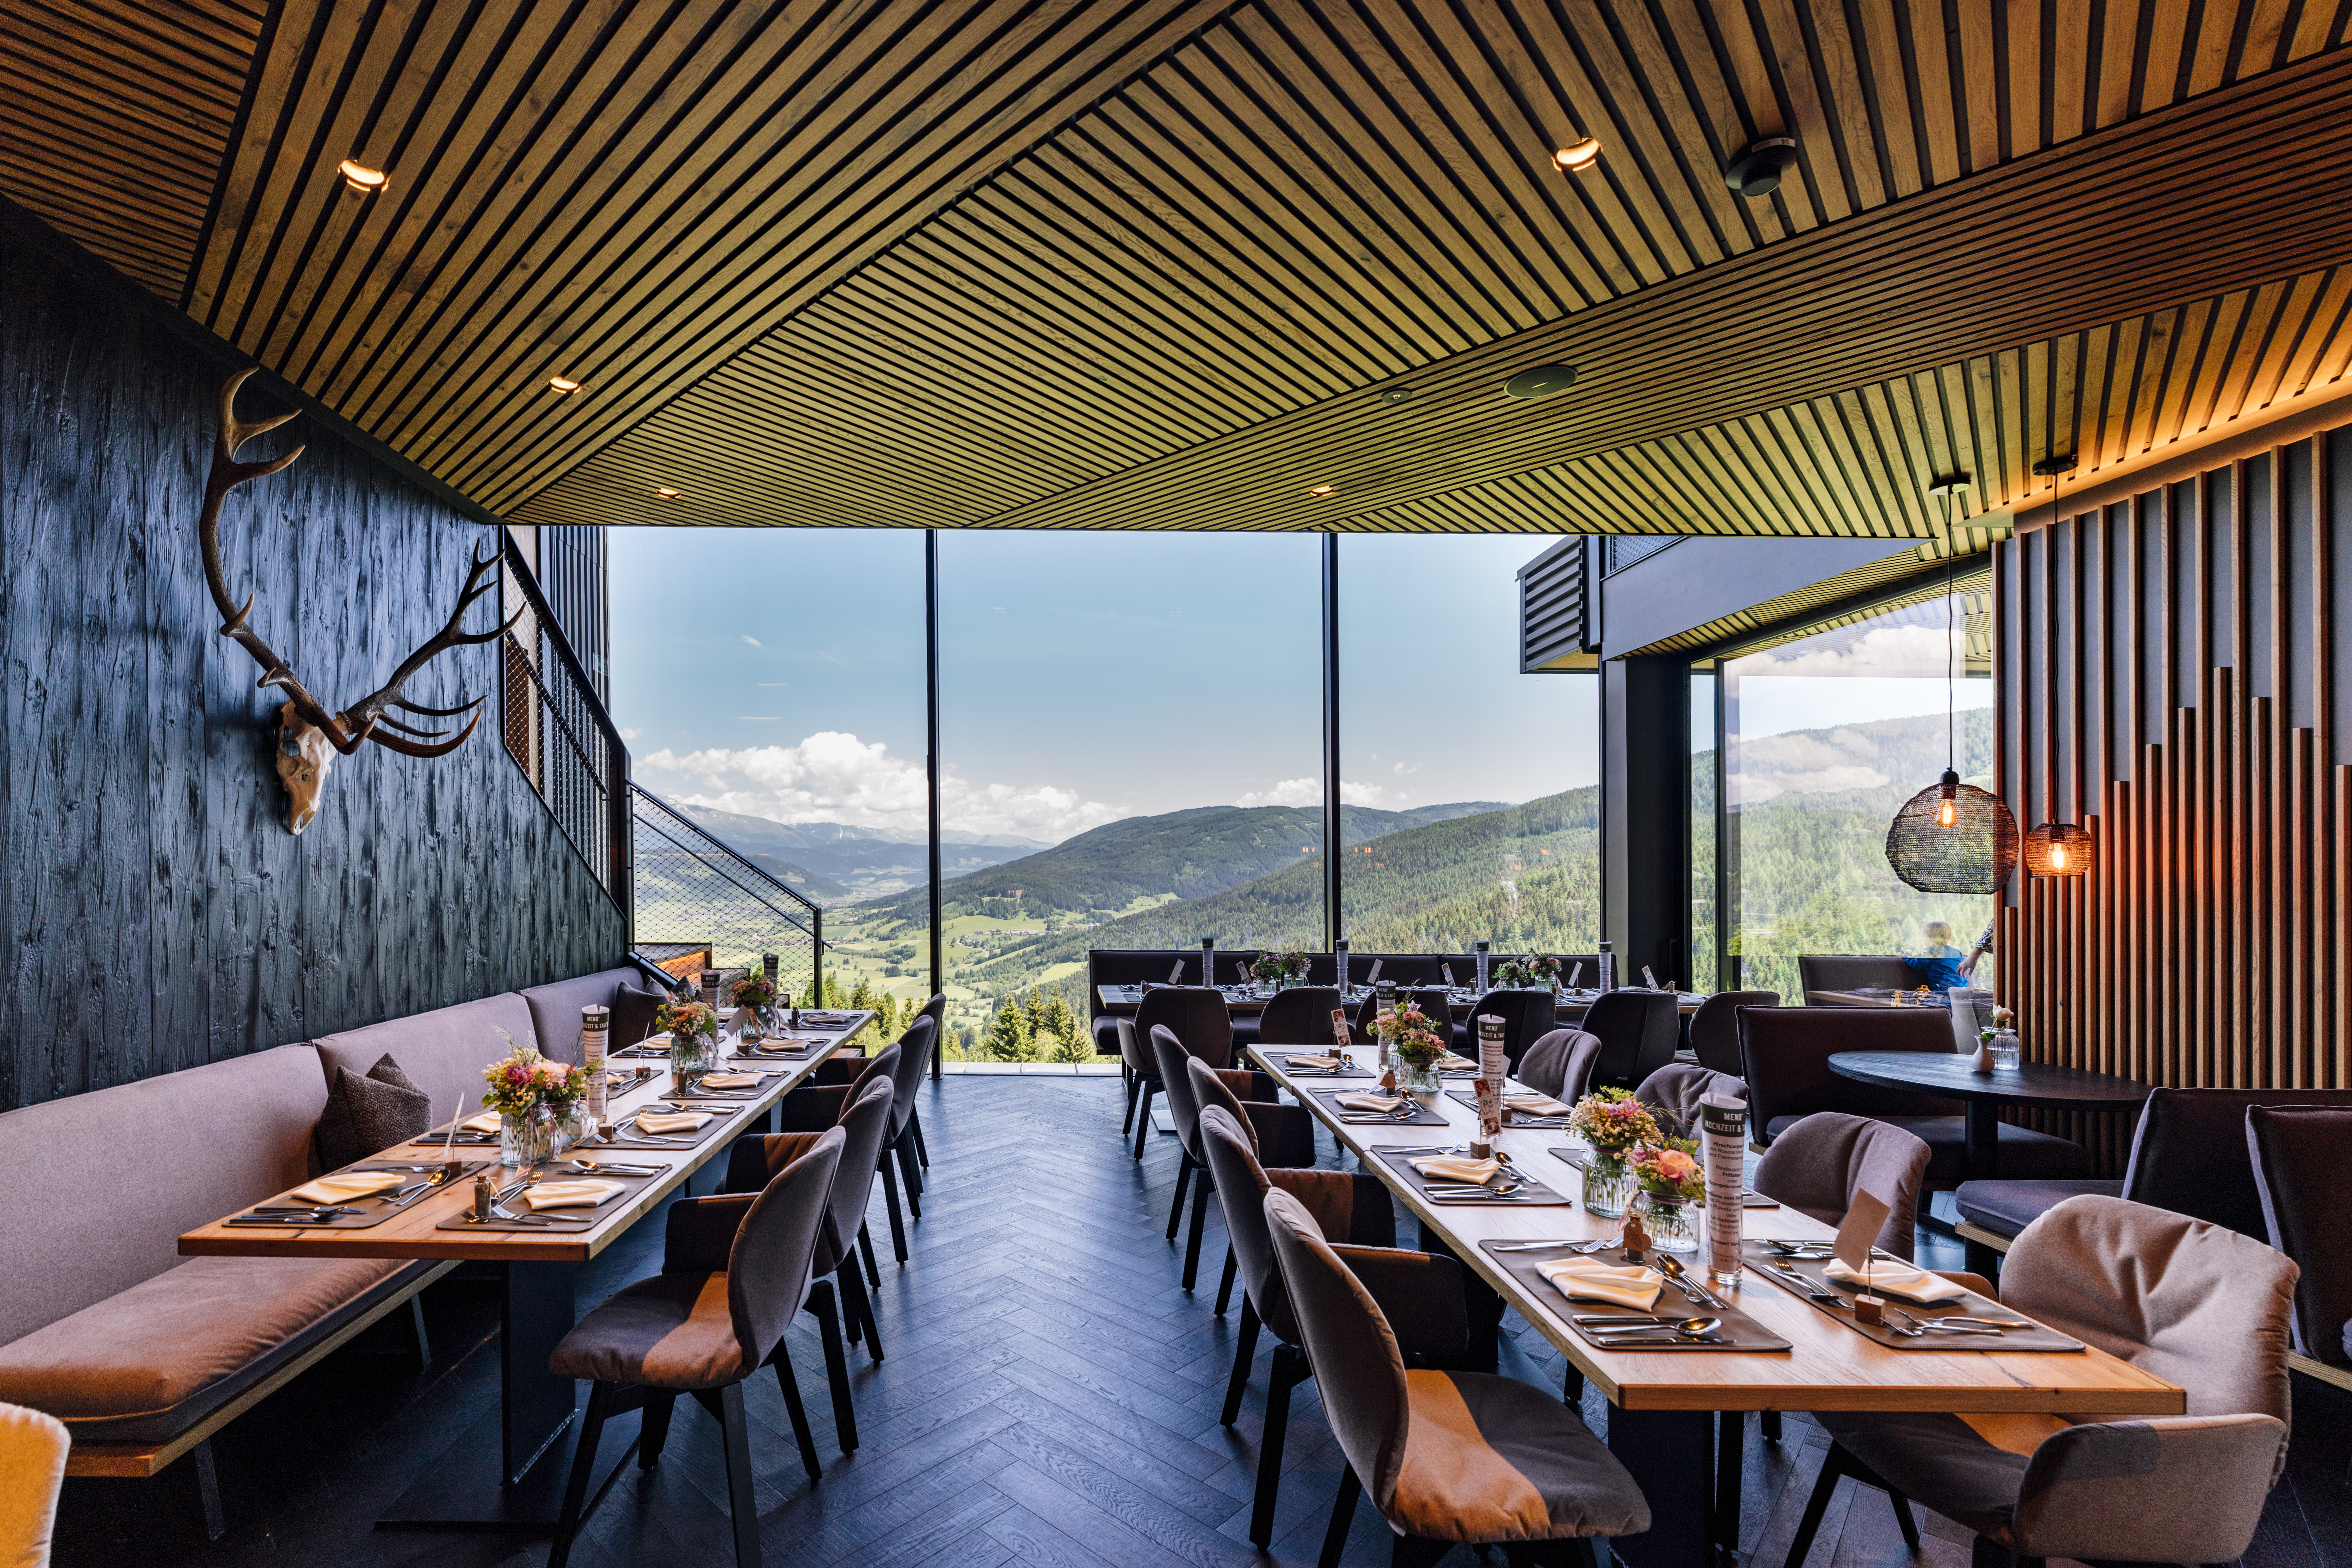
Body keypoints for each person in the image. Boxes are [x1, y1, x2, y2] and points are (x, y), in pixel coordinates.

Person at [1900, 920, 1969, 993]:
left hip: (1944, 991)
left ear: (1927, 938)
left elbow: (1916, 964)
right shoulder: (1957, 952)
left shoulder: (1929, 951)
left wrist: (1906, 955)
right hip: (1963, 988)